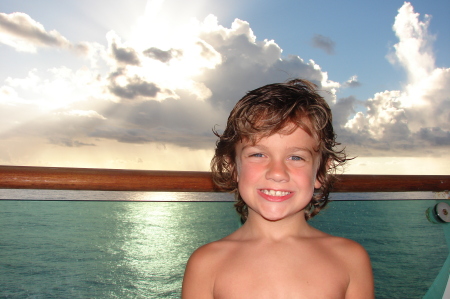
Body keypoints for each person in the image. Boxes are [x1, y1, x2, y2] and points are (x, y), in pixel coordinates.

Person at [182, 79, 374, 298]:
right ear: (233, 167)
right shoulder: (206, 264)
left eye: (295, 157)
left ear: (320, 172)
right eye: (258, 154)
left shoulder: (350, 259)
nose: (277, 173)